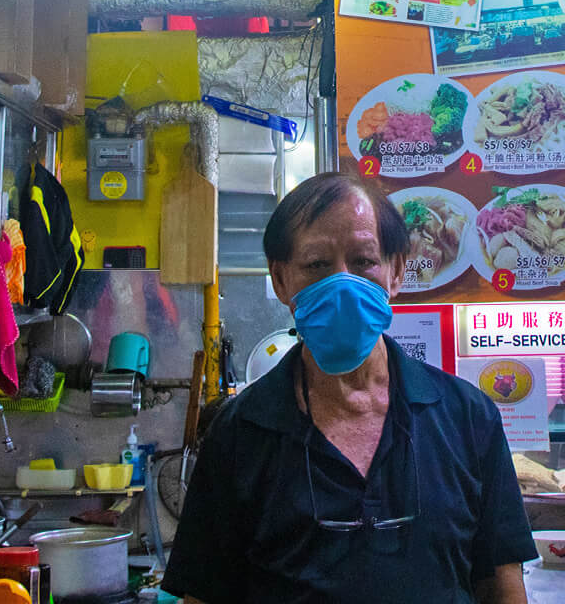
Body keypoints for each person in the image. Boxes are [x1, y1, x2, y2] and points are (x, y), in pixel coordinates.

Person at [163, 173, 534, 604]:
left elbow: (502, 586)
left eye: (363, 262)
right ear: (281, 280)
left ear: (396, 270)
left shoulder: (468, 416)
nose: (341, 284)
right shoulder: (238, 433)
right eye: (318, 265)